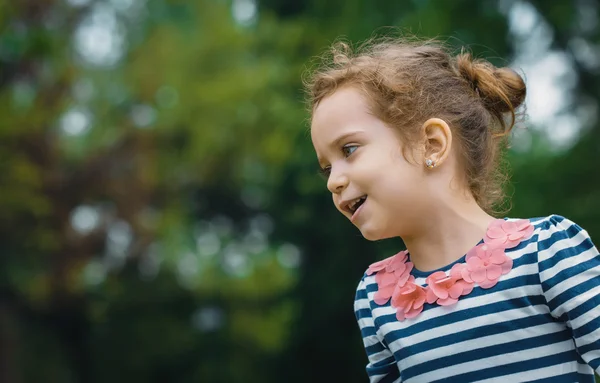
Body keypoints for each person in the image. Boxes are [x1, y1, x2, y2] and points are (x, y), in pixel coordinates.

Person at [305, 37, 600, 382]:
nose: (333, 181)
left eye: (349, 149)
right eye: (327, 168)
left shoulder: (547, 253)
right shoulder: (375, 299)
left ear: (432, 143)